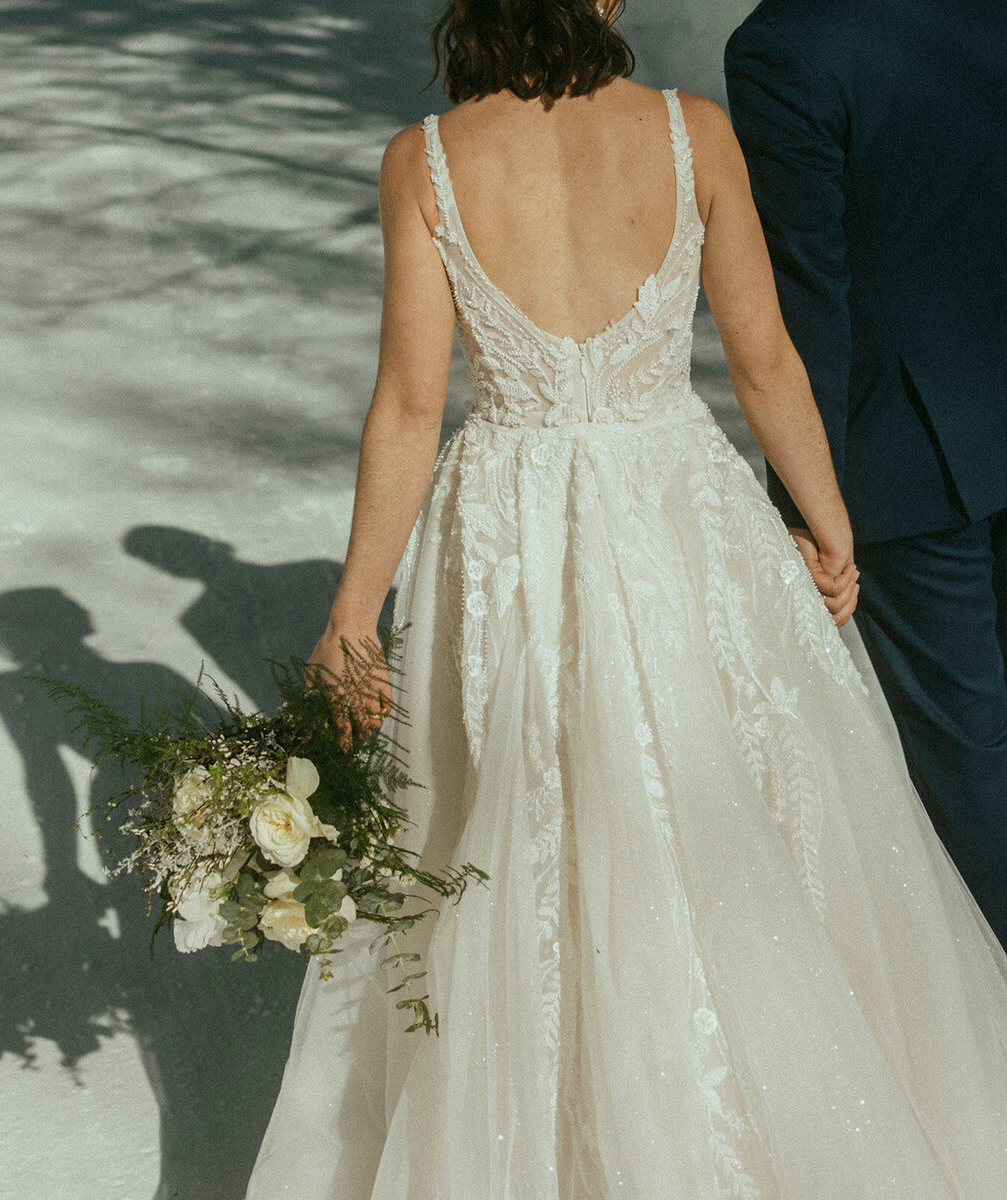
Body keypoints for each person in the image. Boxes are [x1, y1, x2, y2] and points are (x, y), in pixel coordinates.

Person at [245, 3, 1007, 1196]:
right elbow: (765, 360)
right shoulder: (694, 133)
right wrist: (827, 522)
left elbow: (406, 402)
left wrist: (355, 608)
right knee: (732, 805)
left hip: (505, 528)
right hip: (676, 506)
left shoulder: (426, 159)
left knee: (521, 821)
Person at [725, 0, 1007, 944]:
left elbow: (811, 301)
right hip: (980, 408)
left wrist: (807, 509)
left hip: (910, 463)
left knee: (969, 764)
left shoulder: (779, 49)